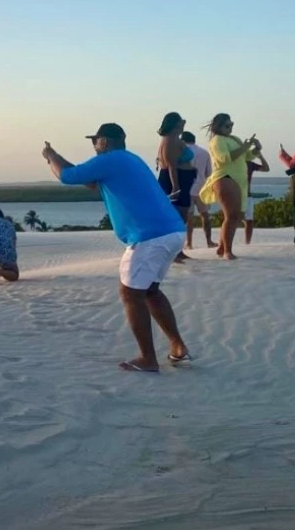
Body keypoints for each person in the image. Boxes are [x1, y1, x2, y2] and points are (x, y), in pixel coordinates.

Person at [42, 123, 190, 373]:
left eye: (95, 142)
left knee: (131, 294)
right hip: (171, 231)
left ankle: (148, 359)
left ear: (104, 142)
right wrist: (60, 160)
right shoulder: (129, 160)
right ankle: (178, 347)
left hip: (150, 236)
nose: (94, 147)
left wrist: (50, 156)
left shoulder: (111, 159)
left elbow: (67, 176)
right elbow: (89, 182)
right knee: (150, 291)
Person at [198, 113, 259, 260]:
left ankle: (222, 247)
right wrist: (244, 147)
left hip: (238, 180)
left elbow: (247, 157)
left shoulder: (234, 139)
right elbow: (224, 159)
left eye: (232, 124)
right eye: (227, 125)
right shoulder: (216, 140)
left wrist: (256, 149)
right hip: (225, 177)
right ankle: (227, 251)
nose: (230, 127)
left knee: (237, 216)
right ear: (218, 126)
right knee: (231, 215)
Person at [156, 112, 195, 262]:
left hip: (183, 178)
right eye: (181, 121)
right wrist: (176, 187)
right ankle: (173, 252)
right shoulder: (170, 140)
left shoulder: (174, 139)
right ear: (175, 124)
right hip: (175, 180)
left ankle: (177, 251)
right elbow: (171, 165)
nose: (184, 123)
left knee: (181, 217)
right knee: (177, 217)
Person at [182, 130, 214, 250]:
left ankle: (189, 243)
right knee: (205, 215)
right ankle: (209, 241)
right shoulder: (204, 152)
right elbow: (209, 173)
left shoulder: (183, 152)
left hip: (188, 187)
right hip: (202, 187)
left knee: (189, 216)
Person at [243, 148, 271, 245]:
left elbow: (266, 168)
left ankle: (247, 243)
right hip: (235, 195)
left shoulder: (250, 164)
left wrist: (260, 157)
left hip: (247, 195)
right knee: (232, 219)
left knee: (249, 221)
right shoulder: (235, 163)